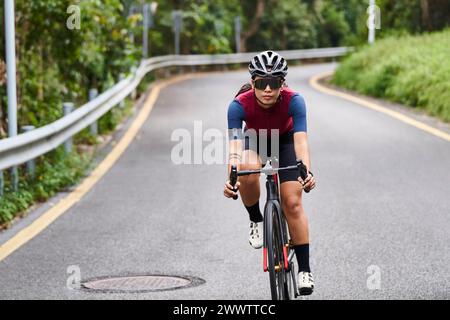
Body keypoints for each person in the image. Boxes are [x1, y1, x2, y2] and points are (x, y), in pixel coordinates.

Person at [223, 50, 316, 295]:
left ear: (281, 84)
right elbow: (234, 148)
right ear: (252, 83)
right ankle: (256, 219)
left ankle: (305, 269)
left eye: (273, 83)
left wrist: (305, 170)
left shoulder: (294, 100)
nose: (267, 89)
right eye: (261, 83)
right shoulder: (238, 105)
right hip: (255, 141)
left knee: (293, 203)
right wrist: (232, 176)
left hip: (284, 143)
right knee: (247, 169)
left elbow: (301, 141)